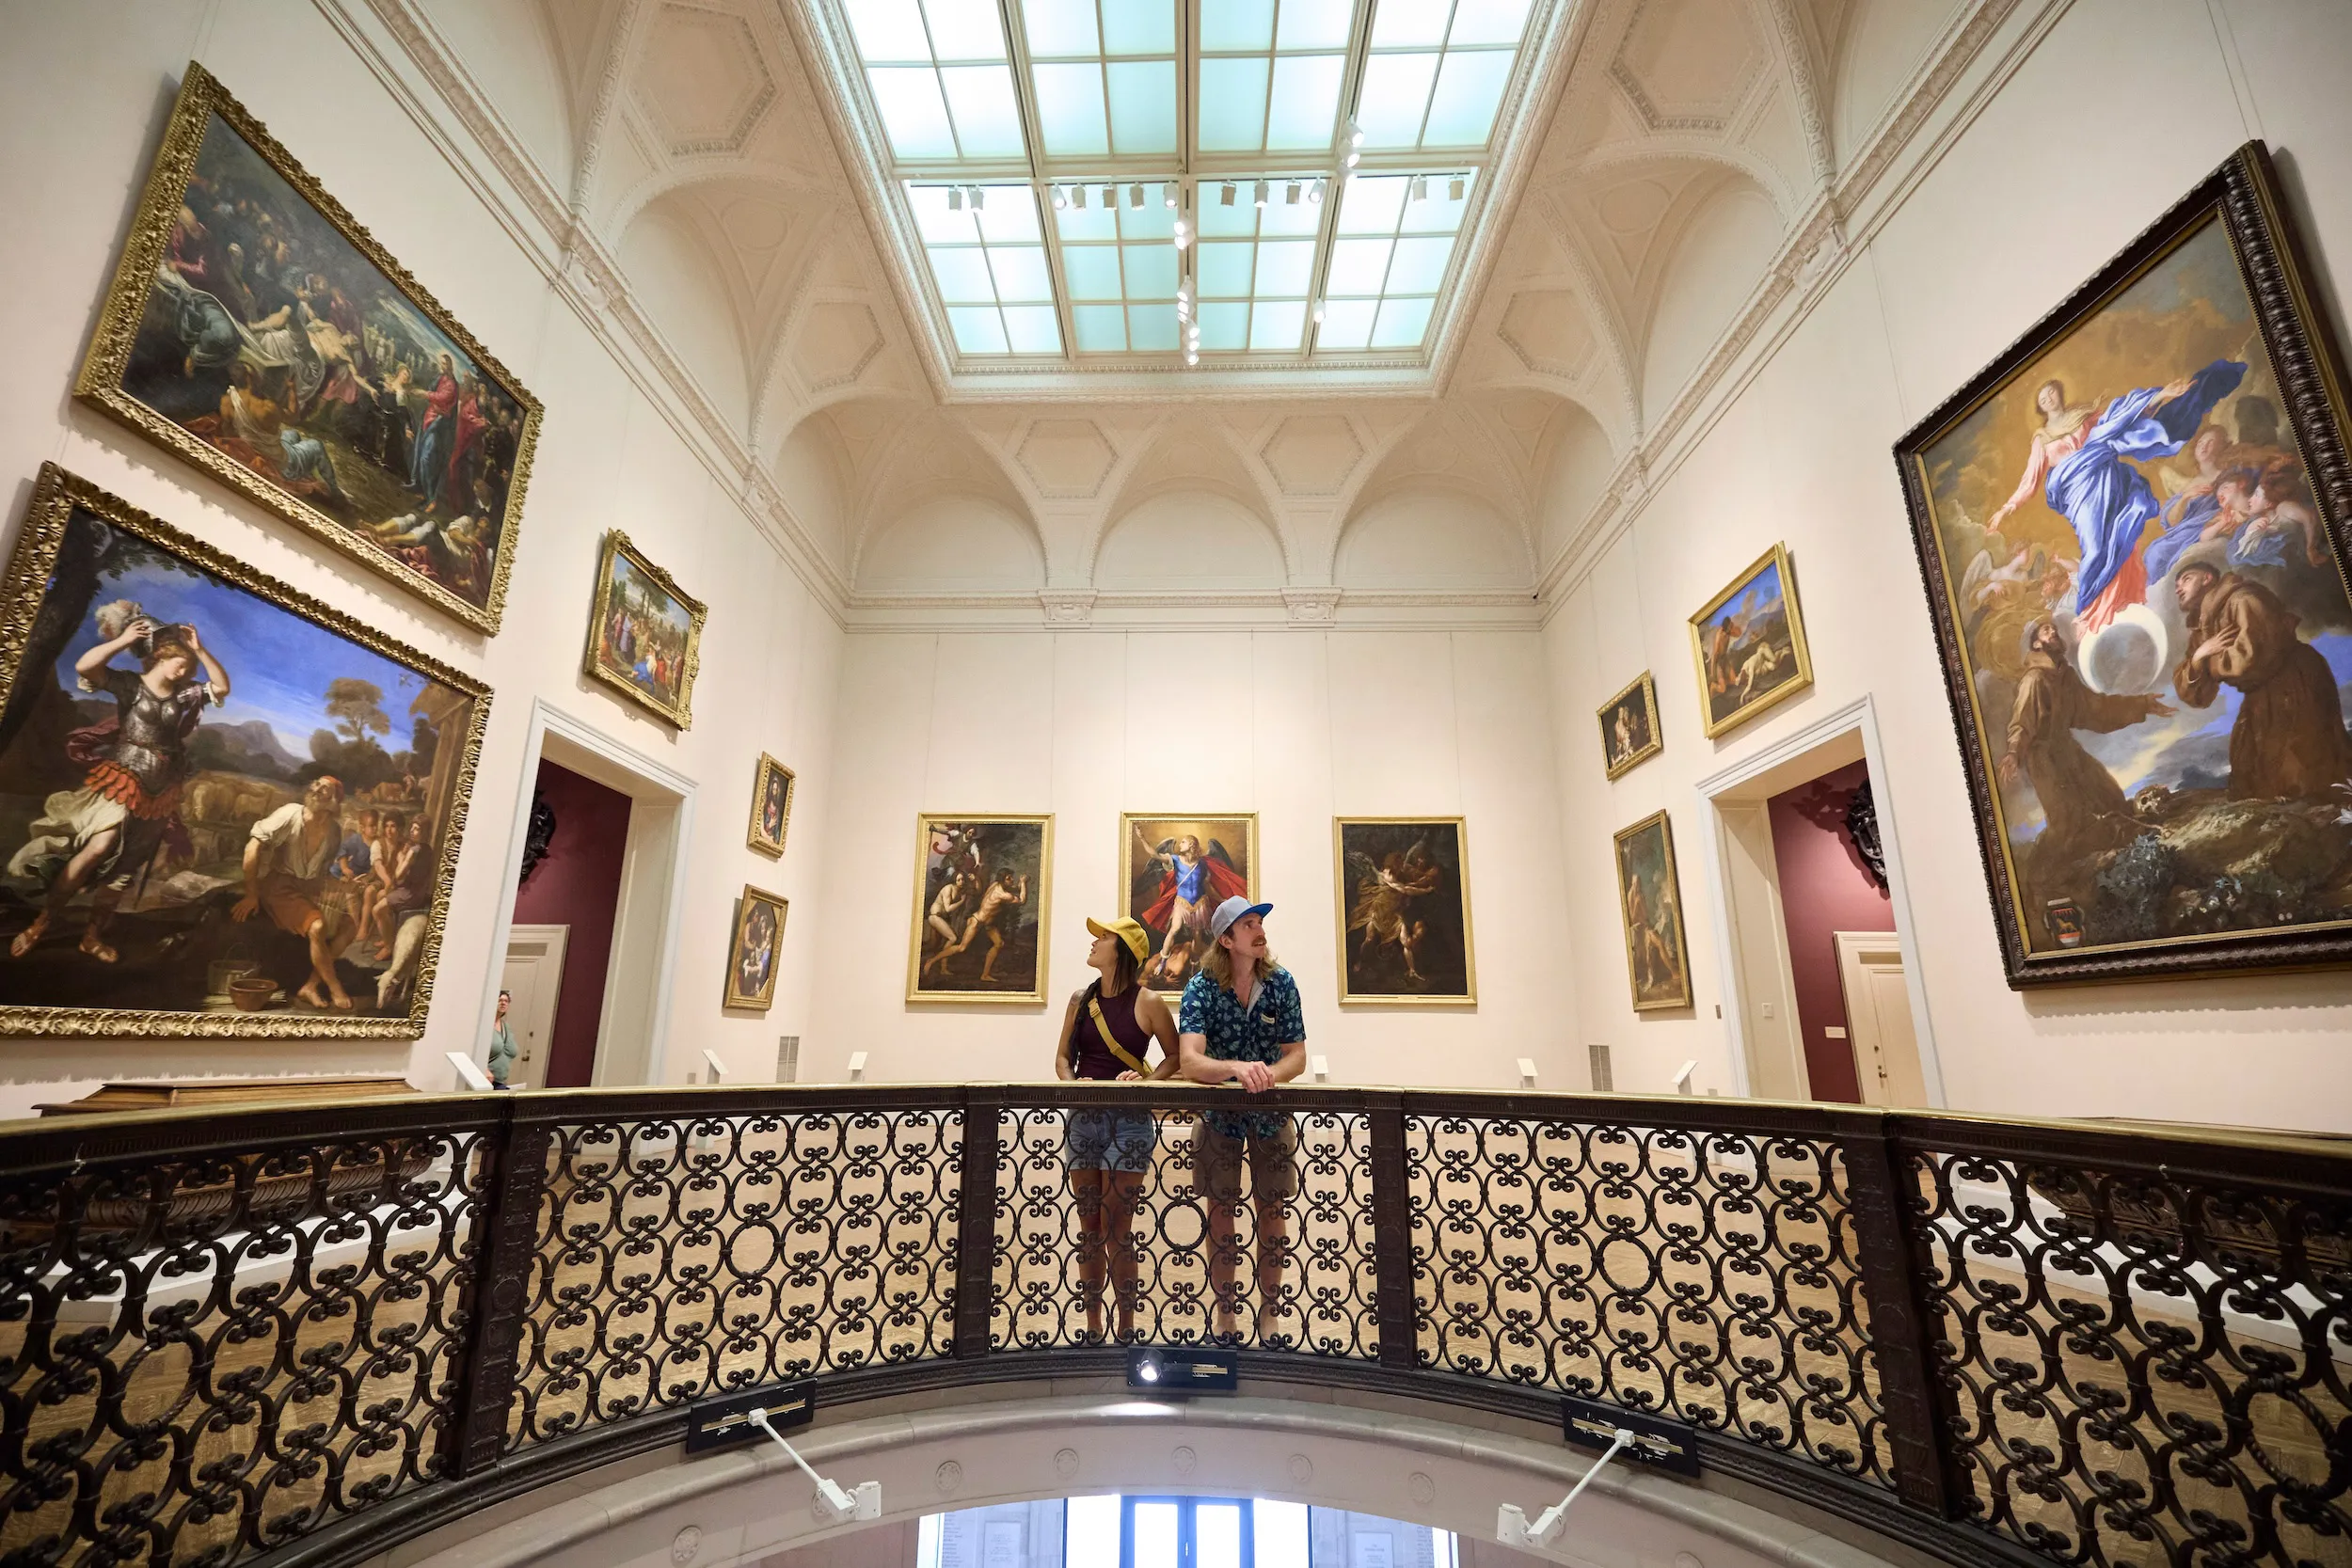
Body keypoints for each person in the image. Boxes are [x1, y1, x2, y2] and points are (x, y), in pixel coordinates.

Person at [7, 610, 228, 962]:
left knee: (126, 868)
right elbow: (84, 667)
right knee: (99, 846)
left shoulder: (185, 694)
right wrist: (123, 640)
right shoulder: (130, 685)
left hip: (161, 790)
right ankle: (42, 922)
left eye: (188, 667)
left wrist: (200, 651)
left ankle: (92, 936)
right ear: (161, 657)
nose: (184, 672)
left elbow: (221, 687)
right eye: (179, 663)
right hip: (125, 777)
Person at [1985, 360, 2246, 632]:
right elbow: (2030, 480)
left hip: (2107, 481)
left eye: (2051, 391)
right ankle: (2089, 610)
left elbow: (2123, 419)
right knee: (2096, 548)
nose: (2048, 397)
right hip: (2079, 493)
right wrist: (2007, 508)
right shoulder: (2041, 439)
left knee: (2120, 541)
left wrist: (2160, 396)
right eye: (2042, 397)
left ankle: (2115, 606)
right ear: (2040, 407)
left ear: (2060, 394)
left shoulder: (2084, 417)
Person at [1177, 895, 1307, 1343]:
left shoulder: (1281, 982)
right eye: (1249, 924)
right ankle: (1227, 1312)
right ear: (1227, 939)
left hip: (1270, 1116)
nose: (1260, 930)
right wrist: (1235, 1068)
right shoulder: (1201, 987)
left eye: (1260, 922)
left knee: (1272, 1211)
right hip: (1219, 1117)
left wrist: (1268, 1074)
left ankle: (1270, 1314)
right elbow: (1190, 1062)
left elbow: (1297, 1057)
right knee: (1221, 1213)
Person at [1053, 915, 1180, 1344]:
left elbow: (1173, 1058)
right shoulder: (1079, 999)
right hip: (1085, 1120)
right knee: (1089, 1224)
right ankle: (1092, 1327)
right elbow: (1062, 1061)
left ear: (1121, 950)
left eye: (1102, 937)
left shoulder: (1148, 1002)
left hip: (1130, 1120)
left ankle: (1126, 1326)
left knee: (1118, 1224)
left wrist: (1145, 1083)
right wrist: (1076, 1087)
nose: (1093, 942)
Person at [2170, 553, 2352, 800]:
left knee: (2305, 766)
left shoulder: (2243, 598)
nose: (2178, 588)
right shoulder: (2202, 631)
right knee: (2254, 770)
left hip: (2294, 680)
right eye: (2176, 585)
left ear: (2207, 579)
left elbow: (2252, 657)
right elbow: (2194, 695)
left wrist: (2209, 660)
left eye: (2186, 579)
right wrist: (2197, 657)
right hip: (2262, 694)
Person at [2000, 620, 2173, 859]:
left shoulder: (2066, 676)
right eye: (2046, 630)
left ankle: (2128, 851)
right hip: (2043, 758)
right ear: (2037, 643)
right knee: (2066, 824)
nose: (2054, 632)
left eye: (2054, 628)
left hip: (2067, 749)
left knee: (2109, 797)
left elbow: (2095, 709)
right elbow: (2022, 720)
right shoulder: (2034, 680)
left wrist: (2142, 705)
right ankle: (2047, 879)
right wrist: (2013, 752)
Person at [235, 775, 357, 1010]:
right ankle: (334, 987)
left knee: (349, 925)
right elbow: (253, 846)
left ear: (334, 801)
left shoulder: (333, 832)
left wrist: (340, 887)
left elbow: (321, 873)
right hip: (279, 886)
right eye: (316, 784)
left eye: (324, 788)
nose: (316, 789)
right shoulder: (290, 814)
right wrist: (251, 893)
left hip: (309, 888)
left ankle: (310, 986)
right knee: (318, 926)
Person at [486, 990, 516, 1088]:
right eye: (500, 1000)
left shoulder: (506, 1026)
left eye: (506, 1001)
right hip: (486, 1080)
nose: (503, 1003)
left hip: (500, 1081)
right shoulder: (486, 1025)